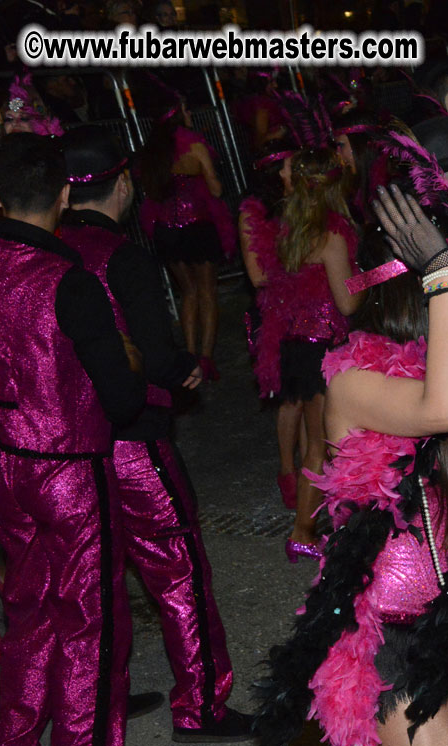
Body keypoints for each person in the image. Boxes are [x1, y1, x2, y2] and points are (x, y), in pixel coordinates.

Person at [255, 186, 448, 746]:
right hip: (393, 639)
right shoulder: (350, 383)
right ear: (421, 295)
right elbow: (445, 409)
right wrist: (444, 275)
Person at [59, 125, 254, 744]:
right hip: (132, 438)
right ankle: (201, 705)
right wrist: (183, 370)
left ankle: (101, 697)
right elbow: (152, 348)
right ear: (122, 184)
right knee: (177, 569)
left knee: (92, 577)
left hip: (65, 443)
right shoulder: (122, 257)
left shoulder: (48, 250)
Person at [0, 132, 168, 746]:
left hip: (6, 463)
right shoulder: (66, 280)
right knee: (91, 618)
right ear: (65, 196)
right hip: (68, 468)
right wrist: (127, 357)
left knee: (28, 610)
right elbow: (123, 399)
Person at [266, 147, 362, 559]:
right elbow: (347, 304)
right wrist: (376, 277)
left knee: (317, 442)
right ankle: (303, 532)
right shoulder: (333, 234)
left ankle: (322, 522)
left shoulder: (293, 230)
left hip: (295, 348)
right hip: (322, 349)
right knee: (322, 447)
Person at [136, 94, 235, 381]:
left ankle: (188, 354)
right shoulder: (194, 144)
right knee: (207, 291)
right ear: (179, 114)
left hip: (167, 233)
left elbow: (151, 195)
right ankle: (205, 358)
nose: (191, 114)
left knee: (188, 292)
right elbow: (215, 190)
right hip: (198, 229)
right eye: (187, 109)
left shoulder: (153, 152)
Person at [238, 139, 299, 507]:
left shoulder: (300, 205)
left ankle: (313, 470)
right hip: (276, 312)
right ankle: (288, 470)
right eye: (294, 166)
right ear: (277, 174)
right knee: (290, 396)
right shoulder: (251, 213)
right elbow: (258, 275)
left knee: (314, 394)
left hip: (310, 309)